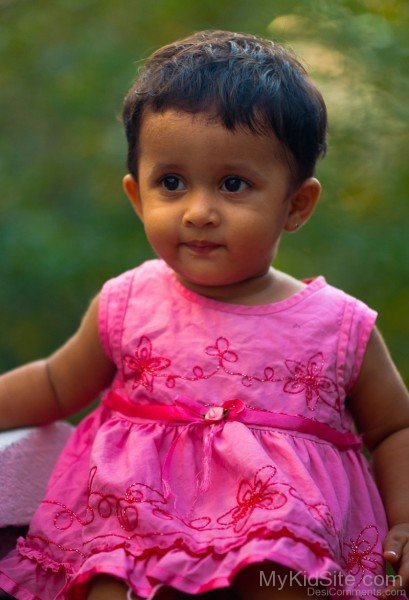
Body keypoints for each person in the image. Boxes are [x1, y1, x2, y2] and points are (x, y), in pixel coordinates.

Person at [0, 29, 408, 600]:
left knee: (281, 574)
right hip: (134, 533)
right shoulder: (129, 302)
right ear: (137, 196)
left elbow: (394, 428)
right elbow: (52, 384)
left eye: (232, 184)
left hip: (279, 547)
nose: (198, 212)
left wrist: (405, 519)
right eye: (171, 183)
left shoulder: (337, 326)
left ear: (296, 204)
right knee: (108, 584)